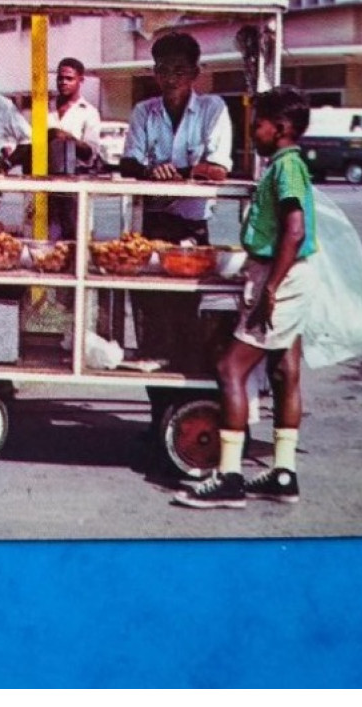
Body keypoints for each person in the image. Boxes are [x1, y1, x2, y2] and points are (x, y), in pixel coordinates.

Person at [174, 85, 317, 508]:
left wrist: (270, 287)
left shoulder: (287, 167)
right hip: (289, 277)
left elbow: (295, 230)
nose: (252, 132)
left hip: (280, 279)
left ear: (282, 128)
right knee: (284, 370)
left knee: (230, 368)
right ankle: (283, 472)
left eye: (259, 125)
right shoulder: (284, 164)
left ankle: (230, 476)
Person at [118, 33, 232, 435]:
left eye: (180, 71)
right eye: (164, 70)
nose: (171, 78)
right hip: (152, 228)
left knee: (188, 319)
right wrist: (150, 171)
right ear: (154, 73)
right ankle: (159, 412)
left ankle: (188, 409)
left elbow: (218, 168)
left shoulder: (213, 109)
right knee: (152, 322)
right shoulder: (144, 111)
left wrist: (177, 171)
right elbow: (128, 163)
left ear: (196, 73)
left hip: (191, 228)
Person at [47, 57, 105, 240]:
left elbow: (91, 151)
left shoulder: (89, 112)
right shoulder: (45, 108)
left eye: (69, 78)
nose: (63, 82)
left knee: (75, 237)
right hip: (44, 181)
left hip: (75, 184)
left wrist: (68, 138)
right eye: (60, 78)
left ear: (81, 80)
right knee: (46, 237)